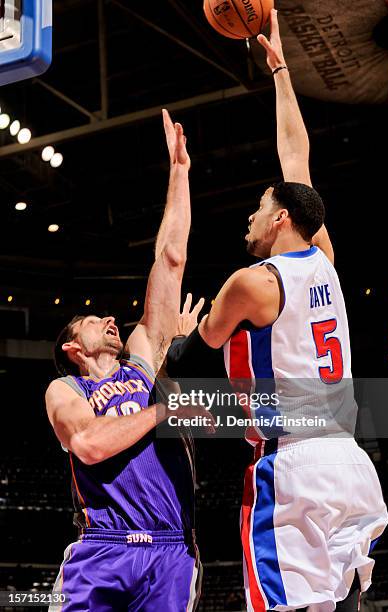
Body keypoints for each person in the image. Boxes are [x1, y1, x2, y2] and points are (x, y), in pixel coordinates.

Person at [166, 10, 388, 612]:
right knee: (345, 606)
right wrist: (281, 69)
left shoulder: (252, 282)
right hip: (349, 460)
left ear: (280, 218)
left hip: (293, 466)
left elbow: (197, 351)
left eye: (259, 208)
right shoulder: (324, 258)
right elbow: (299, 163)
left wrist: (180, 340)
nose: (251, 217)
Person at [45, 110, 207, 611]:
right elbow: (90, 445)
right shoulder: (66, 391)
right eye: (92, 320)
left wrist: (179, 174)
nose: (108, 320)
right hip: (100, 549)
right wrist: (162, 412)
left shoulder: (140, 361)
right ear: (74, 349)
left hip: (170, 548)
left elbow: (170, 259)